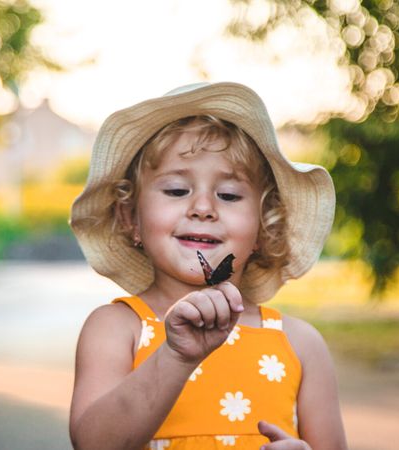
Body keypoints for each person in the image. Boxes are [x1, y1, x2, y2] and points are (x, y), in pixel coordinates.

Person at [69, 82, 347, 450]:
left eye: (229, 195)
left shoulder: (299, 344)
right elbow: (93, 444)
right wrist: (175, 355)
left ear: (265, 227)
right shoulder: (117, 329)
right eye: (176, 190)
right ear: (129, 217)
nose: (203, 207)